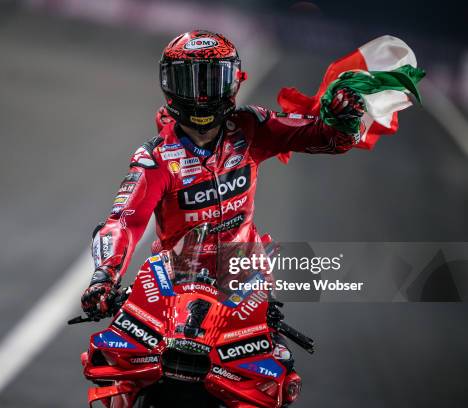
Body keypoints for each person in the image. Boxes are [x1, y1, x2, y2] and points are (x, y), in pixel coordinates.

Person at [81, 29, 364, 318]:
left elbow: (326, 137)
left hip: (247, 285)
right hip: (172, 291)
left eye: (212, 80)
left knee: (275, 362)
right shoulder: (154, 159)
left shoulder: (253, 126)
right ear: (169, 84)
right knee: (114, 359)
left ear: (233, 80)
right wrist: (103, 278)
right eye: (190, 81)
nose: (202, 95)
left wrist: (345, 118)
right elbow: (123, 223)